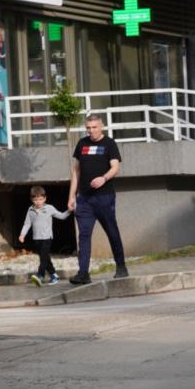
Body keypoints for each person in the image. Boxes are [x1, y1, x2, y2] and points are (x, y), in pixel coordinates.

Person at [67, 113, 128, 285]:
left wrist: (104, 178)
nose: (91, 131)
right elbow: (76, 171)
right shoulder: (82, 144)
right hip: (85, 199)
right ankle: (83, 273)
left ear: (101, 127)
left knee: (111, 231)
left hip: (104, 197)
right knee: (84, 236)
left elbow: (115, 167)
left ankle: (121, 266)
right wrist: (72, 196)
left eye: (94, 127)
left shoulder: (109, 144)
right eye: (88, 128)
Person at [17, 185, 70, 285]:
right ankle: (54, 275)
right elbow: (27, 224)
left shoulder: (49, 208)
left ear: (45, 198)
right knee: (45, 258)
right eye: (36, 199)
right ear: (32, 199)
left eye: (41, 199)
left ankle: (40, 275)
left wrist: (69, 210)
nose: (38, 202)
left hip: (47, 238)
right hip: (36, 239)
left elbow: (61, 216)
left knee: (43, 258)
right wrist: (22, 235)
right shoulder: (30, 210)